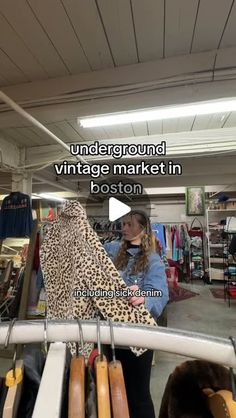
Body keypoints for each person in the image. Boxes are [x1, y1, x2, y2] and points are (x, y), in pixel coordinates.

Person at [104, 210, 169, 418]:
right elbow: (91, 253)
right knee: (114, 391)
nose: (124, 228)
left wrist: (145, 297)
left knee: (138, 396)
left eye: (130, 224)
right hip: (111, 335)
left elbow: (160, 294)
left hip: (138, 338)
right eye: (123, 224)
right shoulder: (114, 250)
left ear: (142, 228)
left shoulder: (153, 260)